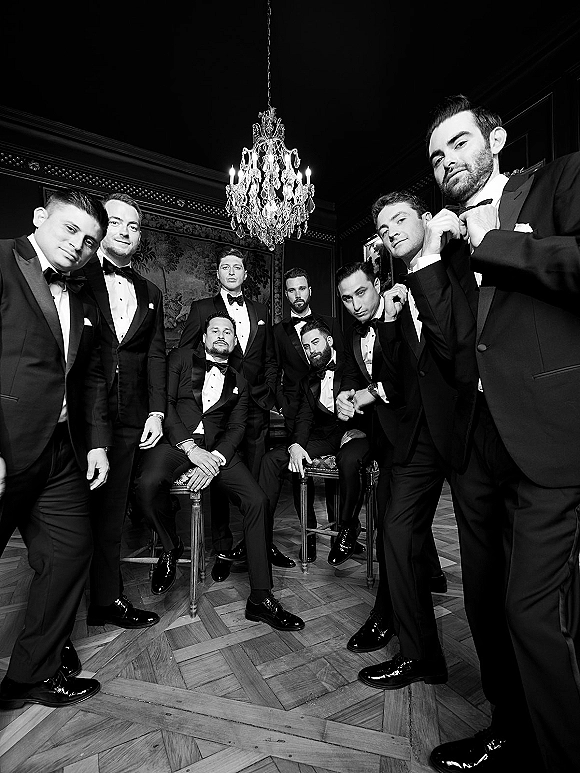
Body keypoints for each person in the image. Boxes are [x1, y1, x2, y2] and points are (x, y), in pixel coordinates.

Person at [412, 94, 580, 773]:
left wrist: (488, 242)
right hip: (477, 440)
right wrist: (428, 259)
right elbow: (457, 340)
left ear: (497, 139)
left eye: (457, 143)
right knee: (483, 601)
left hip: (548, 431)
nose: (446, 160)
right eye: (435, 155)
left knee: (532, 612)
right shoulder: (446, 233)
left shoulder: (559, 180)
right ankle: (507, 727)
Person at [0, 189, 112, 709]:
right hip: (6, 446)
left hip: (63, 451)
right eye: (70, 230)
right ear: (40, 216)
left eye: (90, 241)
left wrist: (97, 445)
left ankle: (32, 673)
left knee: (68, 554)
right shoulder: (2, 260)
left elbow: (89, 377)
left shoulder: (86, 295)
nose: (79, 246)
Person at [134, 312, 305, 632]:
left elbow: (238, 427)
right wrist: (190, 449)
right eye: (216, 330)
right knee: (148, 484)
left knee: (256, 500)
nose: (223, 335)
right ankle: (171, 549)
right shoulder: (181, 359)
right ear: (204, 337)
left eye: (230, 331)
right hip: (177, 443)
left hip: (218, 452)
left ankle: (260, 597)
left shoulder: (239, 380)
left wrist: (213, 458)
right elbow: (166, 405)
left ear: (236, 341)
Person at [356, 191, 456, 692]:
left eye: (400, 219)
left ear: (424, 219)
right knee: (397, 535)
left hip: (470, 429)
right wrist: (389, 321)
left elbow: (457, 348)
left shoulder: (454, 259)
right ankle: (421, 656)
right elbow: (391, 381)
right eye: (383, 226)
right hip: (419, 438)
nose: (391, 230)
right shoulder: (394, 296)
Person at [179, 248, 292, 573]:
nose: (231, 272)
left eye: (237, 267)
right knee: (216, 474)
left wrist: (268, 393)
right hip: (217, 411)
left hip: (255, 407)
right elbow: (186, 355)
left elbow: (269, 358)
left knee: (257, 481)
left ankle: (258, 543)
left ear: (245, 274)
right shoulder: (202, 309)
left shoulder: (259, 309)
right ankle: (224, 549)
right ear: (218, 274)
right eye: (225, 267)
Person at [83, 193, 166, 629]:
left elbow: (156, 356)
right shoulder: (75, 275)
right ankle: (62, 615)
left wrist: (155, 413)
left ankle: (105, 600)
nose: (125, 232)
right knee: (73, 515)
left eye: (134, 227)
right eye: (116, 222)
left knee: (113, 512)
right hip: (78, 415)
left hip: (132, 417)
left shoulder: (151, 292)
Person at [259, 318, 364, 563]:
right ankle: (259, 538)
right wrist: (296, 445)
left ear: (328, 340)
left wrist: (363, 430)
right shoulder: (308, 379)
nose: (311, 350)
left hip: (355, 433)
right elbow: (305, 417)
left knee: (350, 460)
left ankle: (349, 530)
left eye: (315, 342)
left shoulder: (352, 363)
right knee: (272, 460)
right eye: (306, 347)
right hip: (324, 436)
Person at [271, 267, 344, 548]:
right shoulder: (279, 332)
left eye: (302, 288)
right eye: (291, 290)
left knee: (337, 475)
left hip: (330, 411)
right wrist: (282, 405)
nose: (297, 294)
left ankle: (340, 533)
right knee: (300, 470)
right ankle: (309, 536)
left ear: (310, 291)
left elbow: (343, 361)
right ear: (286, 294)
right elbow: (273, 370)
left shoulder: (331, 323)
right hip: (296, 411)